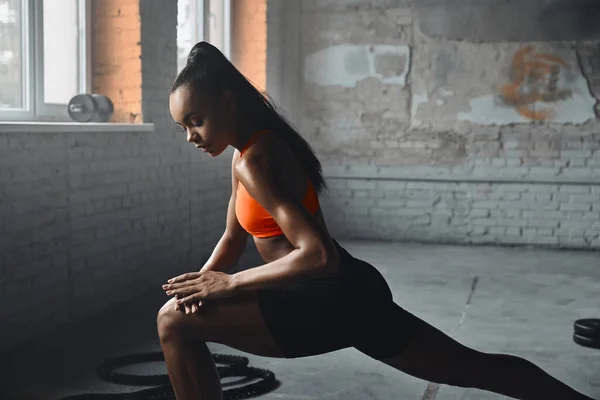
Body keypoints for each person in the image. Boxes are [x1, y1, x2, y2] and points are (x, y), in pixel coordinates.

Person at [158, 41, 594, 400]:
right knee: (470, 366)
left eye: (196, 121)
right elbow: (234, 238)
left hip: (327, 297)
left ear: (228, 100)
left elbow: (318, 256)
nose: (191, 136)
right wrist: (202, 282)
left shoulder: (256, 160)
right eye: (183, 128)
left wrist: (228, 284)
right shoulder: (246, 152)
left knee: (172, 323)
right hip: (339, 290)